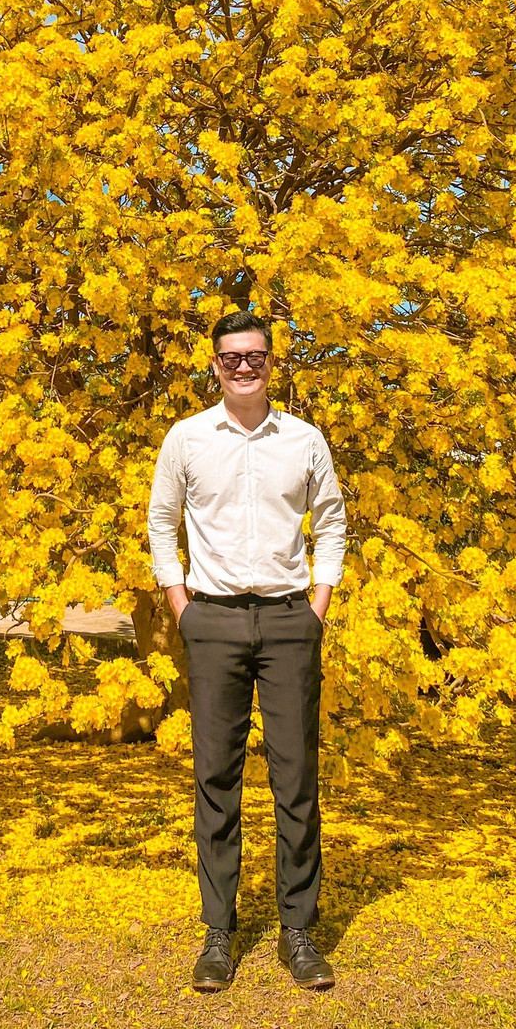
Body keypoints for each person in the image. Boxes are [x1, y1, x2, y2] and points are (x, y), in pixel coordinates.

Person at [146, 310, 347, 993]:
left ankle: (299, 931)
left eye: (254, 356)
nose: (243, 366)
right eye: (231, 357)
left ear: (271, 362)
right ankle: (218, 933)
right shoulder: (187, 439)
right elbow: (161, 522)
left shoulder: (303, 439)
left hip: (291, 619)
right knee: (216, 781)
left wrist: (318, 604)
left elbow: (332, 521)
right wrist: (182, 606)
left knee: (295, 781)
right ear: (214, 365)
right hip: (215, 621)